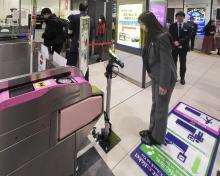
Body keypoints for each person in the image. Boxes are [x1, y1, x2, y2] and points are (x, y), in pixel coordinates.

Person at [138, 11, 177, 146]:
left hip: (164, 78)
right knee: (155, 104)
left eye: (142, 24)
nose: (141, 26)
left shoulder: (162, 37)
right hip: (156, 75)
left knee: (161, 108)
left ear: (148, 23)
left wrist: (164, 85)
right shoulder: (150, 36)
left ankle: (157, 138)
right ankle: (152, 130)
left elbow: (166, 63)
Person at [169, 11, 191, 85]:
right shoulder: (172, 26)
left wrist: (179, 42)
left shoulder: (187, 26)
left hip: (183, 48)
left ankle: (182, 78)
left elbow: (188, 36)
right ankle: (174, 77)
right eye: (178, 16)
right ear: (176, 17)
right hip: (174, 48)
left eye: (181, 16)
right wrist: (174, 42)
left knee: (183, 64)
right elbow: (170, 36)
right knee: (173, 63)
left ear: (183, 17)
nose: (179, 17)